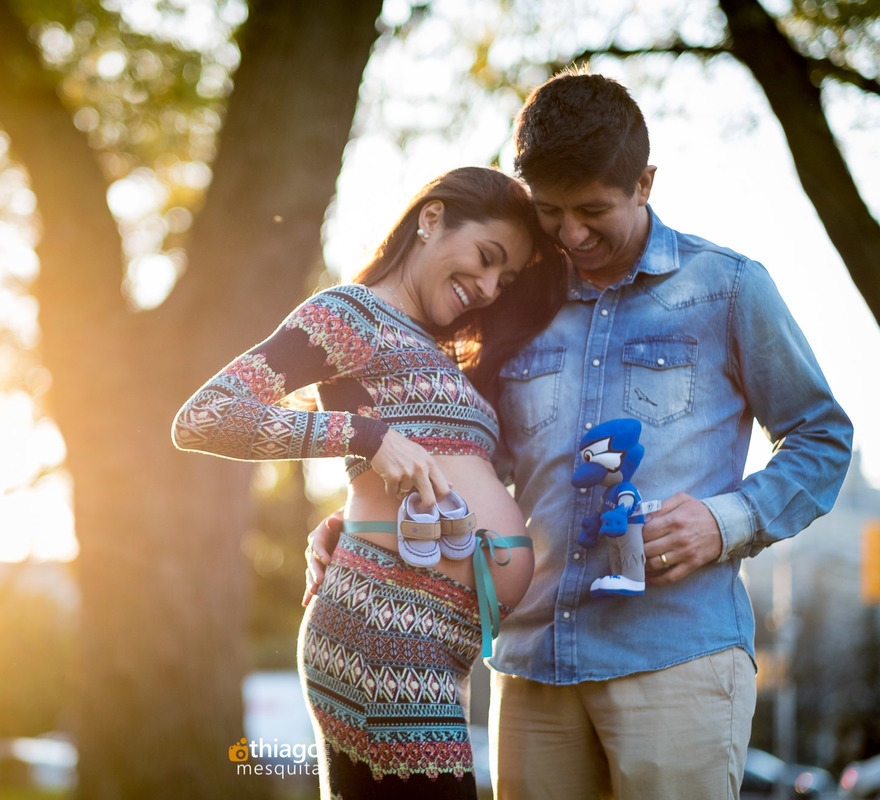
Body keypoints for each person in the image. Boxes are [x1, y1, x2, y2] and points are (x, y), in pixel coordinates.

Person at [304, 69, 854, 799]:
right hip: (531, 664)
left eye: (594, 210)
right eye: (551, 211)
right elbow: (475, 456)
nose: (571, 234)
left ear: (645, 183)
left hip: (675, 659)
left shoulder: (728, 289)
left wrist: (726, 522)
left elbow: (822, 436)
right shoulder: (513, 303)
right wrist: (369, 516)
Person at [172, 166, 566, 798]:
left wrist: (345, 516)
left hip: (431, 639)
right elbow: (206, 417)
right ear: (430, 219)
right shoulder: (351, 314)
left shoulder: (435, 349)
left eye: (507, 278)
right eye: (487, 258)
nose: (491, 287)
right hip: (384, 629)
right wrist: (363, 437)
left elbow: (425, 464)